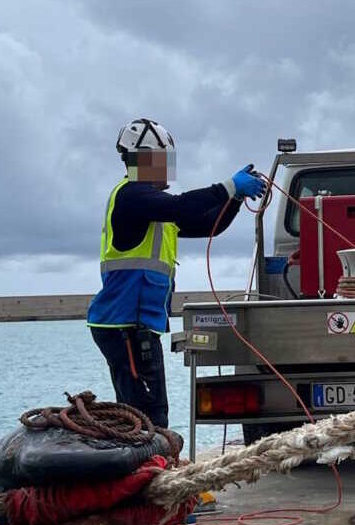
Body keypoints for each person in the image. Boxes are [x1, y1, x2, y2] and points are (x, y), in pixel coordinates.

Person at [87, 118, 266, 427]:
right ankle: (151, 470)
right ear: (141, 159)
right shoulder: (132, 197)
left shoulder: (153, 210)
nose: (167, 169)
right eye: (161, 161)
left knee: (149, 414)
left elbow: (209, 225)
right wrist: (229, 186)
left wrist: (234, 200)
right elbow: (183, 206)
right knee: (146, 417)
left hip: (136, 326)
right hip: (123, 326)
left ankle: (153, 468)